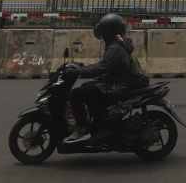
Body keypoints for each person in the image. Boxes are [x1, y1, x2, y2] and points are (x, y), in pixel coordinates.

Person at [63, 13, 147, 144]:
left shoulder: (115, 49)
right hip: (117, 80)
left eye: (103, 30)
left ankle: (82, 128)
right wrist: (80, 67)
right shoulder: (117, 44)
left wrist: (77, 72)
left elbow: (100, 69)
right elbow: (103, 65)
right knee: (86, 87)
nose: (101, 33)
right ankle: (97, 120)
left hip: (117, 86)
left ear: (109, 31)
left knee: (76, 94)